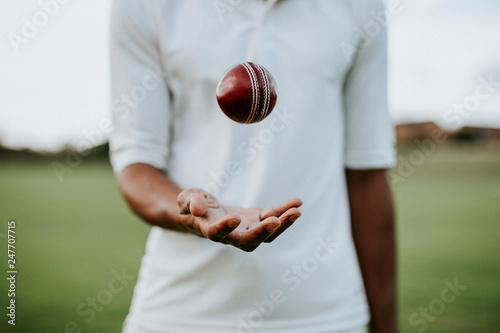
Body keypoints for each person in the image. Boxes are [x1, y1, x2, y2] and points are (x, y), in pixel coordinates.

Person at [109, 0, 397, 332]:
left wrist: (386, 325)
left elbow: (366, 173)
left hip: (325, 315)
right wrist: (191, 211)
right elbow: (137, 165)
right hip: (179, 313)